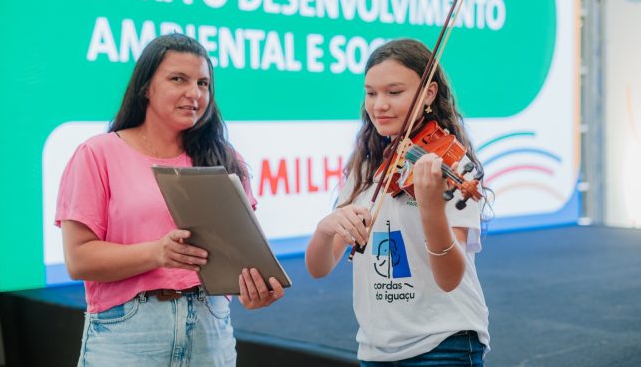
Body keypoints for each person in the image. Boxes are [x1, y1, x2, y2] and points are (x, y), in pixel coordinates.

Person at [56, 33, 285, 366]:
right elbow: (78, 259)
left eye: (203, 83)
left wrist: (255, 288)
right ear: (146, 87)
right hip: (127, 334)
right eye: (178, 79)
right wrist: (158, 253)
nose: (194, 93)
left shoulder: (225, 159)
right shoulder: (97, 153)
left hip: (211, 327)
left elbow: (244, 253)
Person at [305, 39, 490, 366]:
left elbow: (450, 279)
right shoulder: (363, 166)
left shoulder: (456, 167)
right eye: (371, 92)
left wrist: (432, 209)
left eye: (394, 92)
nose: (379, 105)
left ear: (429, 94)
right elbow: (319, 268)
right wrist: (325, 228)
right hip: (375, 349)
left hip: (444, 343)